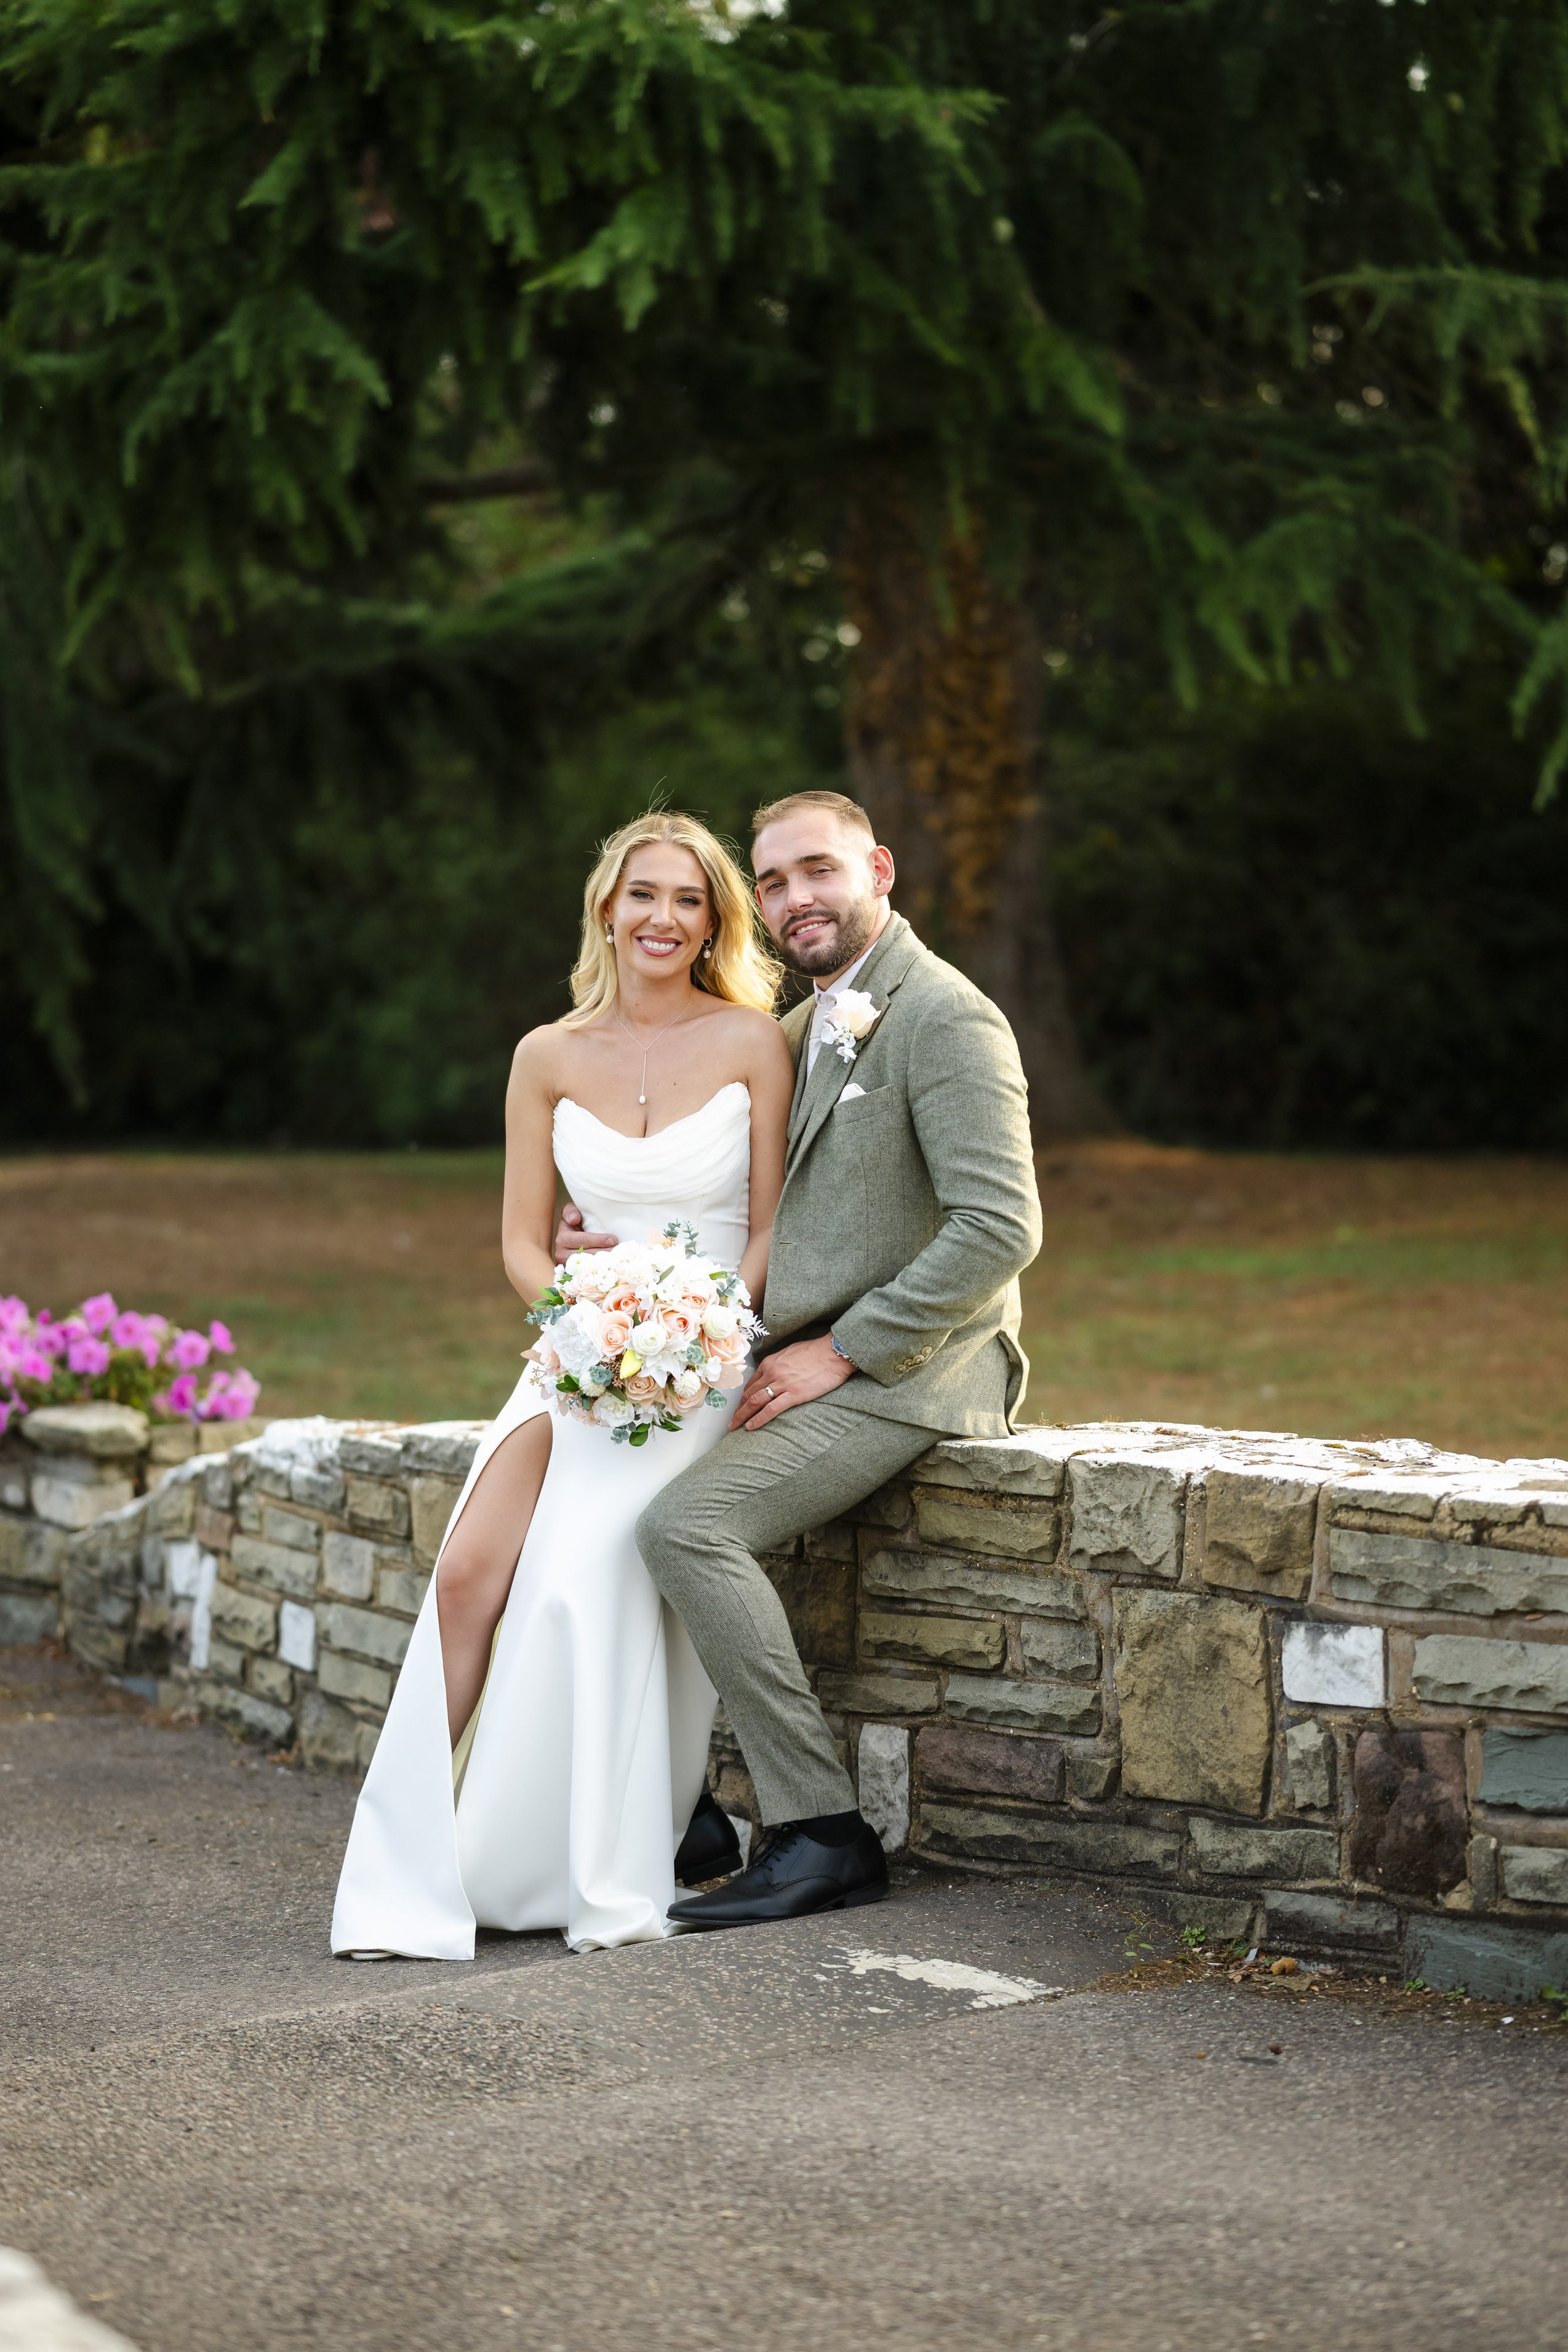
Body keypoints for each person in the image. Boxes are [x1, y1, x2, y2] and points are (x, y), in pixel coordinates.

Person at [556, 788, 1042, 1929]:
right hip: (790, 1353)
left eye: (816, 871)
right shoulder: (799, 1027)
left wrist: (846, 1351)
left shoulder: (946, 1018)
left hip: (916, 1371)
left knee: (688, 1525)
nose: (793, 898)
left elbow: (1000, 1226)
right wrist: (601, 1239)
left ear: (877, 869)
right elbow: (722, 1198)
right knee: (613, 1492)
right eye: (772, 881)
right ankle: (686, 1808)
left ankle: (823, 1829)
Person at [330, 810, 794, 1957]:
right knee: (468, 1575)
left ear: (713, 921)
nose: (664, 918)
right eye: (645, 894)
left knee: (583, 1582)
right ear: (608, 907)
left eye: (690, 900)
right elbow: (524, 1243)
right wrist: (579, 1324)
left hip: (702, 1363)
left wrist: (705, 1340)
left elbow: (772, 1224)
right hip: (578, 1355)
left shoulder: (752, 1043)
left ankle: (567, 1860)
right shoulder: (546, 1056)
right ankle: (402, 1869)